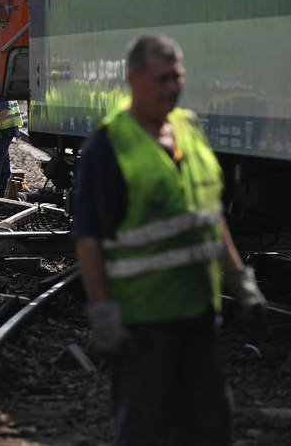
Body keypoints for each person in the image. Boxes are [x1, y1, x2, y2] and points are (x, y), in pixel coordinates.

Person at [73, 35, 267, 446]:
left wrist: (239, 279)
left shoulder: (189, 129)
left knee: (211, 428)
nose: (171, 88)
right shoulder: (107, 148)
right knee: (146, 430)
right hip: (144, 321)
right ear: (133, 79)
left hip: (199, 312)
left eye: (177, 77)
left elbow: (210, 214)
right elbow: (89, 239)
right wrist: (104, 313)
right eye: (160, 79)